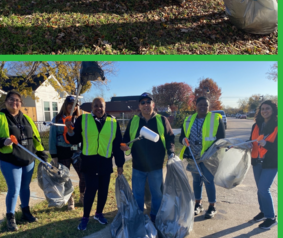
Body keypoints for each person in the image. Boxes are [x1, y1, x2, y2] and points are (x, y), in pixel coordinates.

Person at [66, 97, 125, 230]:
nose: (98, 108)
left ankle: (99, 214)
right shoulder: (83, 120)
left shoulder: (113, 122)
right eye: (95, 106)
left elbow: (117, 145)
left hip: (105, 162)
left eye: (101, 106)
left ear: (105, 107)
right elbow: (74, 139)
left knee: (103, 191)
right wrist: (70, 130)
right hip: (89, 162)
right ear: (92, 108)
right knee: (90, 190)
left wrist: (120, 164)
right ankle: (85, 217)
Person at [0, 90, 47, 231]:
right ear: (6, 102)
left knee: (25, 187)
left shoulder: (27, 119)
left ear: (21, 103)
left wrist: (42, 154)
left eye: (17, 100)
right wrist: (2, 142)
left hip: (28, 160)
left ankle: (26, 212)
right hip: (10, 160)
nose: (14, 102)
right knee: (14, 189)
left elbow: (36, 138)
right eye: (11, 100)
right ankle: (10, 218)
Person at [121, 93, 175, 222]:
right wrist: (124, 145)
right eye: (143, 102)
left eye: (148, 102)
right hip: (138, 166)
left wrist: (171, 152)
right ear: (139, 106)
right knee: (138, 195)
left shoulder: (162, 120)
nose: (146, 105)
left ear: (153, 105)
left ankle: (155, 217)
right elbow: (126, 139)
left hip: (155, 166)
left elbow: (170, 138)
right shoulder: (134, 121)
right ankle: (139, 218)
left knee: (157, 194)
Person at [179, 96, 225, 219]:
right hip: (193, 156)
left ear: (209, 107)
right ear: (196, 106)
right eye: (200, 105)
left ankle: (212, 206)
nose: (203, 107)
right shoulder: (189, 120)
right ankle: (198, 204)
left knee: (208, 181)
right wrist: (184, 140)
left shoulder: (215, 119)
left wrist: (212, 152)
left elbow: (221, 139)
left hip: (209, 157)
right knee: (196, 181)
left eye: (206, 105)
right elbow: (182, 136)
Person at [49, 96, 84, 210]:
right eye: (70, 103)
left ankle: (82, 195)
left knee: (83, 174)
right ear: (65, 104)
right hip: (62, 151)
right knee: (65, 177)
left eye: (75, 105)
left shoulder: (79, 119)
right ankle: (70, 199)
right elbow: (52, 139)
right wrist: (54, 155)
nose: (72, 106)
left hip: (76, 152)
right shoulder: (57, 119)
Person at [247, 100, 278, 230]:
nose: (264, 111)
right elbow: (251, 140)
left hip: (271, 163)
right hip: (256, 161)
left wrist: (267, 144)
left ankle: (271, 218)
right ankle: (264, 212)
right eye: (262, 109)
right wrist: (247, 144)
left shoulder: (278, 125)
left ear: (273, 110)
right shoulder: (256, 125)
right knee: (259, 189)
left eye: (268, 109)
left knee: (264, 189)